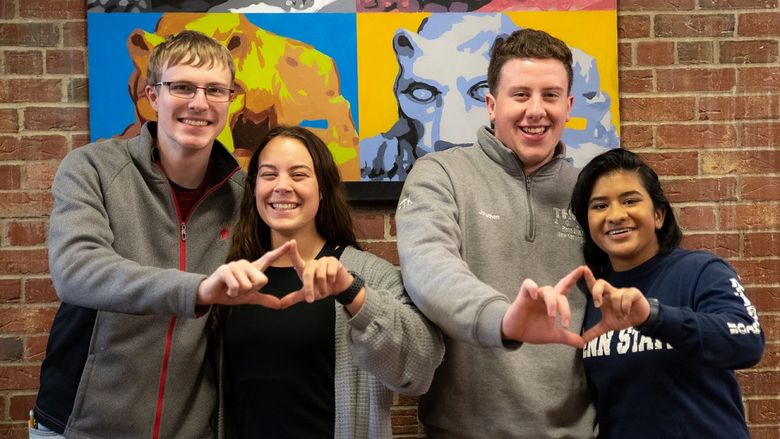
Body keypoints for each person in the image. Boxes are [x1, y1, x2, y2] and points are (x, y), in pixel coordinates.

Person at [31, 30, 278, 439]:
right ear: (152, 95)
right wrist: (196, 290)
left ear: (231, 101)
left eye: (216, 90)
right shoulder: (91, 168)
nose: (199, 103)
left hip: (189, 429)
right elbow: (75, 270)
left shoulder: (244, 195)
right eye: (182, 87)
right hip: (78, 425)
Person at [395, 28, 595, 438]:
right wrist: (503, 320)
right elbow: (428, 269)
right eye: (520, 95)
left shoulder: (590, 191)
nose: (536, 111)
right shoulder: (441, 174)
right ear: (491, 104)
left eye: (550, 95)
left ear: (569, 105)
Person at [211, 125, 444, 438]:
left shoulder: (369, 275)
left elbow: (418, 370)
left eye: (298, 175)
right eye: (269, 175)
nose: (282, 186)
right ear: (253, 189)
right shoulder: (234, 275)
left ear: (322, 188)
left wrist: (353, 294)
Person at [569, 148, 765, 438]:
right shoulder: (594, 295)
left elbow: (749, 341)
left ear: (658, 215)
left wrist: (654, 316)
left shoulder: (702, 270)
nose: (616, 215)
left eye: (630, 200)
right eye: (600, 206)